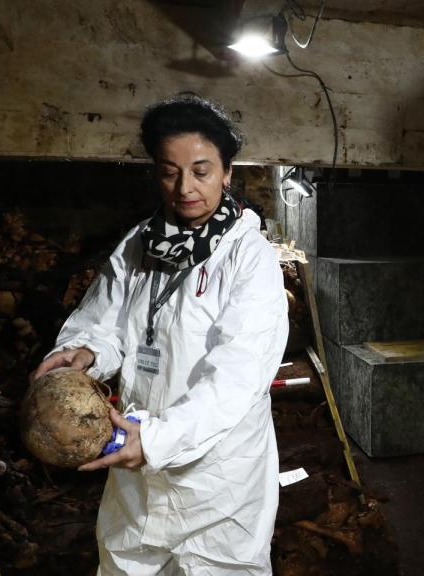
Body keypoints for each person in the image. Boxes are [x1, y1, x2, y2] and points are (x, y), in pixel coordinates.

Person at [30, 94, 288, 575]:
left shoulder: (248, 258)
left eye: (201, 171)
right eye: (170, 172)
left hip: (216, 479)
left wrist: (157, 439)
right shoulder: (139, 243)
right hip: (137, 471)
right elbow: (105, 321)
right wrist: (85, 352)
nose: (185, 188)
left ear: (227, 173)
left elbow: (237, 378)